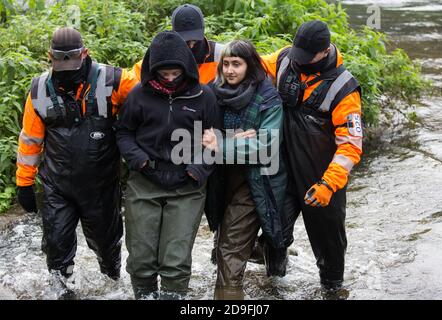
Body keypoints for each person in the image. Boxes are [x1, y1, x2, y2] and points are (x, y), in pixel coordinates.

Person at [15, 27, 138, 298]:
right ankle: (63, 293)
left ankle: (112, 285)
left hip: (102, 185)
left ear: (85, 53)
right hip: (57, 186)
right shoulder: (38, 89)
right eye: (60, 62)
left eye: (72, 61)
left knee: (107, 247)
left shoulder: (115, 80)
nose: (66, 68)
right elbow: (30, 141)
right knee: (57, 246)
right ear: (50, 56)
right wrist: (24, 183)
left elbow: (149, 96)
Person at [116, 31, 220, 300]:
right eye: (164, 74)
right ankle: (144, 294)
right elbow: (124, 133)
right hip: (145, 179)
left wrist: (196, 169)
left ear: (186, 68)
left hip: (187, 184)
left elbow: (215, 141)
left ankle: (175, 296)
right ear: (154, 70)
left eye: (176, 73)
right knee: (140, 258)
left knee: (174, 261)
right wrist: (139, 161)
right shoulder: (139, 95)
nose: (171, 79)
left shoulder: (204, 96)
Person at [262, 20, 363, 297]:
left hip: (322, 178)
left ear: (324, 52)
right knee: (274, 230)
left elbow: (351, 146)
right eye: (297, 53)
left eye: (306, 57)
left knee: (329, 244)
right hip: (284, 170)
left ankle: (332, 289)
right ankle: (274, 284)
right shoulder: (284, 59)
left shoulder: (344, 88)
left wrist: (328, 184)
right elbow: (252, 65)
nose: (299, 61)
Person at [202, 40, 287, 300]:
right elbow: (199, 136)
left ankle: (228, 297)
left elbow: (265, 147)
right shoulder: (211, 92)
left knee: (229, 249)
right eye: (225, 64)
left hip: (257, 180)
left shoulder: (269, 98)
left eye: (236, 64)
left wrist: (222, 144)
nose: (229, 70)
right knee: (221, 246)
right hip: (221, 180)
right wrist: (234, 140)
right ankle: (267, 261)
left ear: (250, 66)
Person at [133, 3, 224, 85]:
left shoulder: (220, 54)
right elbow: (133, 79)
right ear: (174, 34)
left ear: (203, 31)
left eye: (195, 40)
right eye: (185, 41)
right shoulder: (163, 52)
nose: (191, 46)